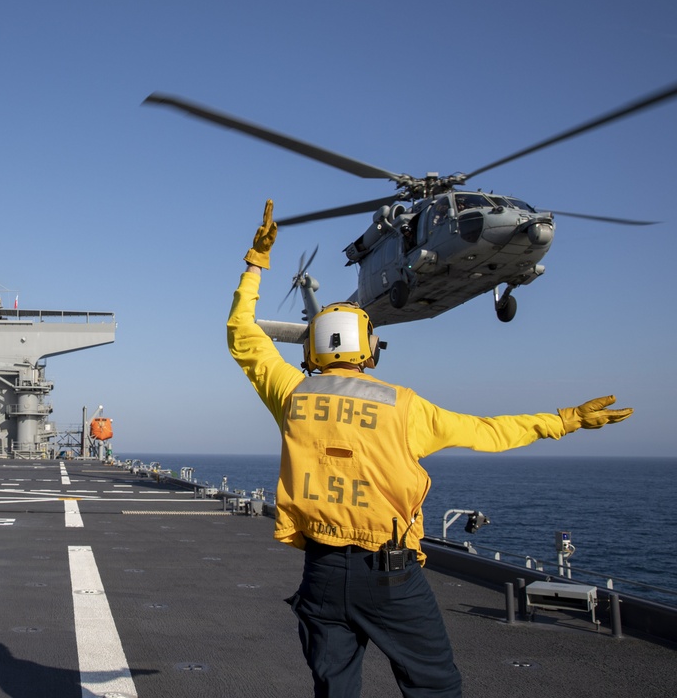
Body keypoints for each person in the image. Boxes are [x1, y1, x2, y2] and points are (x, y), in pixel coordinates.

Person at [227, 199, 633, 698]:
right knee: (435, 687)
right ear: (368, 349)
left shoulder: (292, 395)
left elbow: (243, 334)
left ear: (313, 349)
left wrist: (256, 262)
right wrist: (564, 421)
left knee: (334, 690)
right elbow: (490, 431)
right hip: (391, 578)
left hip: (323, 574)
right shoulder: (404, 408)